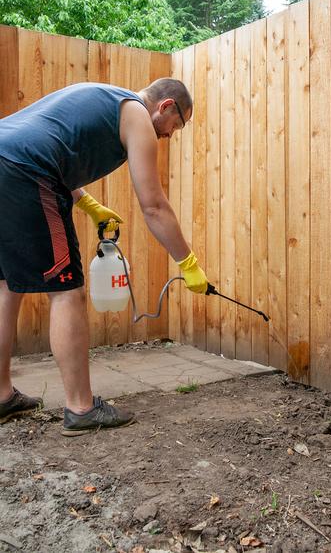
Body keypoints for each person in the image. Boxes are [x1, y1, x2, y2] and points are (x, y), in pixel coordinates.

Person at [0, 78, 208, 436]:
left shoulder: (101, 96)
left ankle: (1, 396)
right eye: (176, 126)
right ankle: (81, 407)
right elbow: (154, 206)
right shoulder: (137, 115)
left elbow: (46, 141)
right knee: (66, 291)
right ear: (166, 106)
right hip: (24, 170)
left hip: (9, 159)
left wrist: (88, 204)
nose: (170, 136)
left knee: (6, 286)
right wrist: (187, 262)